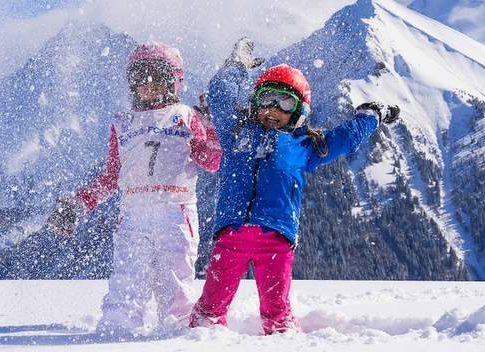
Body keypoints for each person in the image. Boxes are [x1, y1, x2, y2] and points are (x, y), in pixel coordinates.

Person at [189, 38, 399, 334]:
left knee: (277, 314)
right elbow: (221, 93)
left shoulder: (305, 145)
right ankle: (196, 341)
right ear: (254, 102)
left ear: (299, 110)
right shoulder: (236, 131)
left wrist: (371, 115)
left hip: (275, 240)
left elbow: (346, 138)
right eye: (265, 99)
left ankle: (285, 342)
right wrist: (237, 65)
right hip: (230, 235)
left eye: (284, 102)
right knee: (209, 310)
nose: (272, 108)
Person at [47, 42, 222, 337]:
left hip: (175, 213)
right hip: (133, 216)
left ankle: (176, 334)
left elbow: (212, 161)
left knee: (175, 284)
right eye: (140, 77)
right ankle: (119, 330)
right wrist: (78, 204)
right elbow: (111, 176)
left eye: (156, 76)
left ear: (174, 80)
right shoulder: (123, 122)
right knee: (128, 279)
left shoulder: (186, 115)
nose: (148, 84)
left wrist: (211, 124)